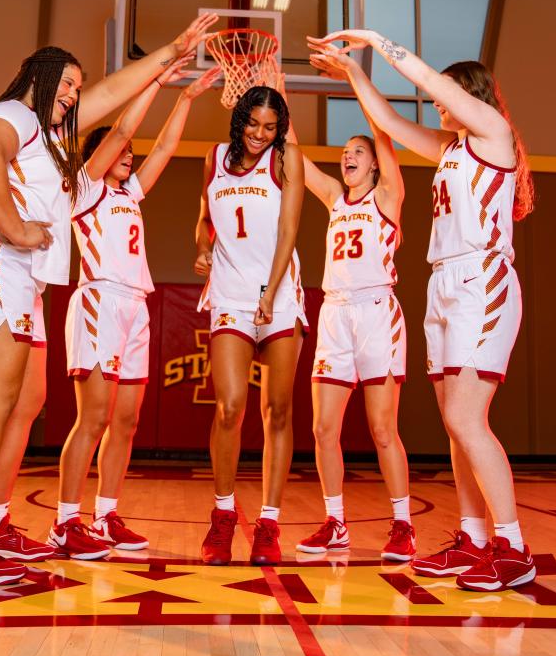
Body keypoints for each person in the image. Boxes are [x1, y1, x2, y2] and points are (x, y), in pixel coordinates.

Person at [0, 13, 218, 583]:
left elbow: (115, 108)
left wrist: (169, 57)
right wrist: (14, 228)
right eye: (64, 83)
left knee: (26, 399)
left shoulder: (57, 144)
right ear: (36, 80)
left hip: (19, 270)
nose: (74, 93)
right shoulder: (13, 114)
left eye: (77, 87)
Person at [310, 30, 537, 590]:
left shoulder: (493, 132)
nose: (438, 102)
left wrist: (370, 41)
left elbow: (427, 82)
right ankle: (473, 538)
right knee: (455, 426)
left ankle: (513, 545)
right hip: (444, 284)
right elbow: (387, 125)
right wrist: (355, 77)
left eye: (449, 93)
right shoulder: (452, 147)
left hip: (482, 278)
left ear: (472, 95)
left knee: (466, 419)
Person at [49, 63, 221, 559]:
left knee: (126, 421)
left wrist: (187, 100)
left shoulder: (130, 194)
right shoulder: (84, 187)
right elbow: (124, 128)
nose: (129, 153)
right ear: (99, 155)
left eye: (130, 153)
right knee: (94, 418)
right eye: (120, 151)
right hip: (100, 300)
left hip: (135, 307)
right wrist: (155, 82)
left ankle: (105, 516)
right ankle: (65, 523)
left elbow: (164, 148)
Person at [291, 62, 414, 561]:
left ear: (376, 165)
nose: (348, 157)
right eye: (345, 154)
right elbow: (295, 159)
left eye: (358, 153)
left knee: (383, 428)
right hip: (335, 314)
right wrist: (279, 96)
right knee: (324, 428)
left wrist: (354, 85)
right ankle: (335, 523)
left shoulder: (388, 197)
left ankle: (403, 524)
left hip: (376, 313)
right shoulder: (335, 200)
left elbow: (385, 135)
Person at [194, 84, 305, 566]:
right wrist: (201, 246)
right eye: (253, 124)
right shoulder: (214, 157)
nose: (260, 134)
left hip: (278, 294)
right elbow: (204, 221)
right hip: (230, 294)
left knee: (278, 411)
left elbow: (289, 229)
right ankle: (222, 517)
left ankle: (269, 524)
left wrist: (270, 291)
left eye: (270, 127)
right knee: (229, 405)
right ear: (239, 120)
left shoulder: (287, 159)